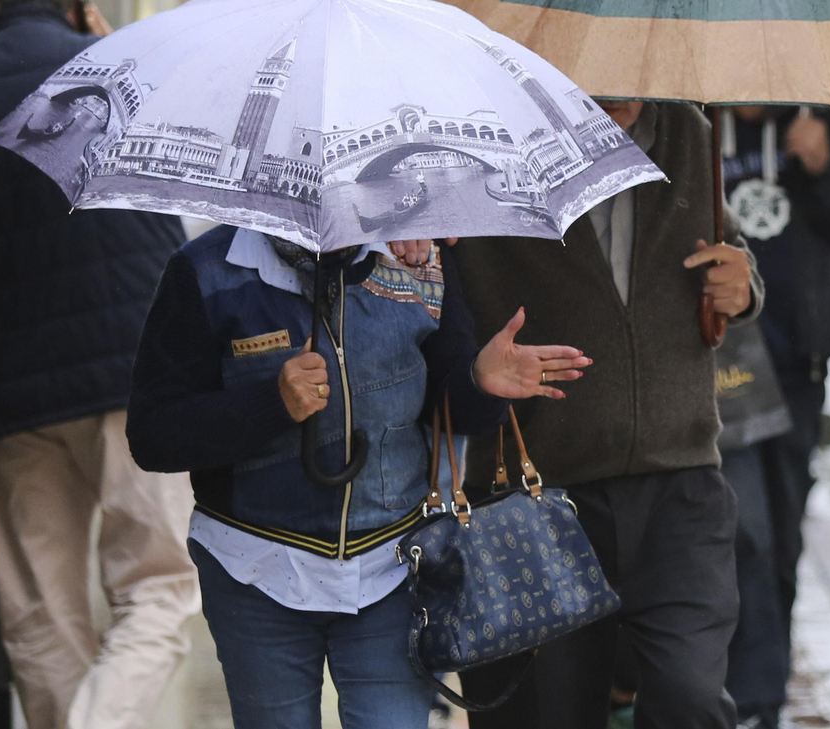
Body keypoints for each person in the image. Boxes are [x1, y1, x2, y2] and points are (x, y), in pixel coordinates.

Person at [126, 229, 590, 728]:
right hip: (253, 571)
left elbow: (447, 400)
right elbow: (153, 436)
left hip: (391, 569)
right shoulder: (204, 270)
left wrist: (480, 383)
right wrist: (271, 404)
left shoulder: (421, 258)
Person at [453, 99, 764, 728]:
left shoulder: (689, 131)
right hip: (537, 493)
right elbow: (429, 301)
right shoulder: (483, 138)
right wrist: (472, 368)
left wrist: (745, 284)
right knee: (546, 716)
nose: (622, 86)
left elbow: (728, 246)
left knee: (691, 700)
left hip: (680, 482)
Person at [0, 0, 198, 729]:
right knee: (157, 587)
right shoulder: (118, 70)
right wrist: (118, 57)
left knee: (41, 611)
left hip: (12, 394)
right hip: (133, 373)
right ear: (82, 1)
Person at [718, 106, 830, 728]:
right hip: (716, 378)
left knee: (783, 541)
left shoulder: (813, 121)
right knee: (746, 538)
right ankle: (751, 704)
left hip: (795, 375)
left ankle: (758, 694)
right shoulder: (687, 124)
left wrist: (821, 165)